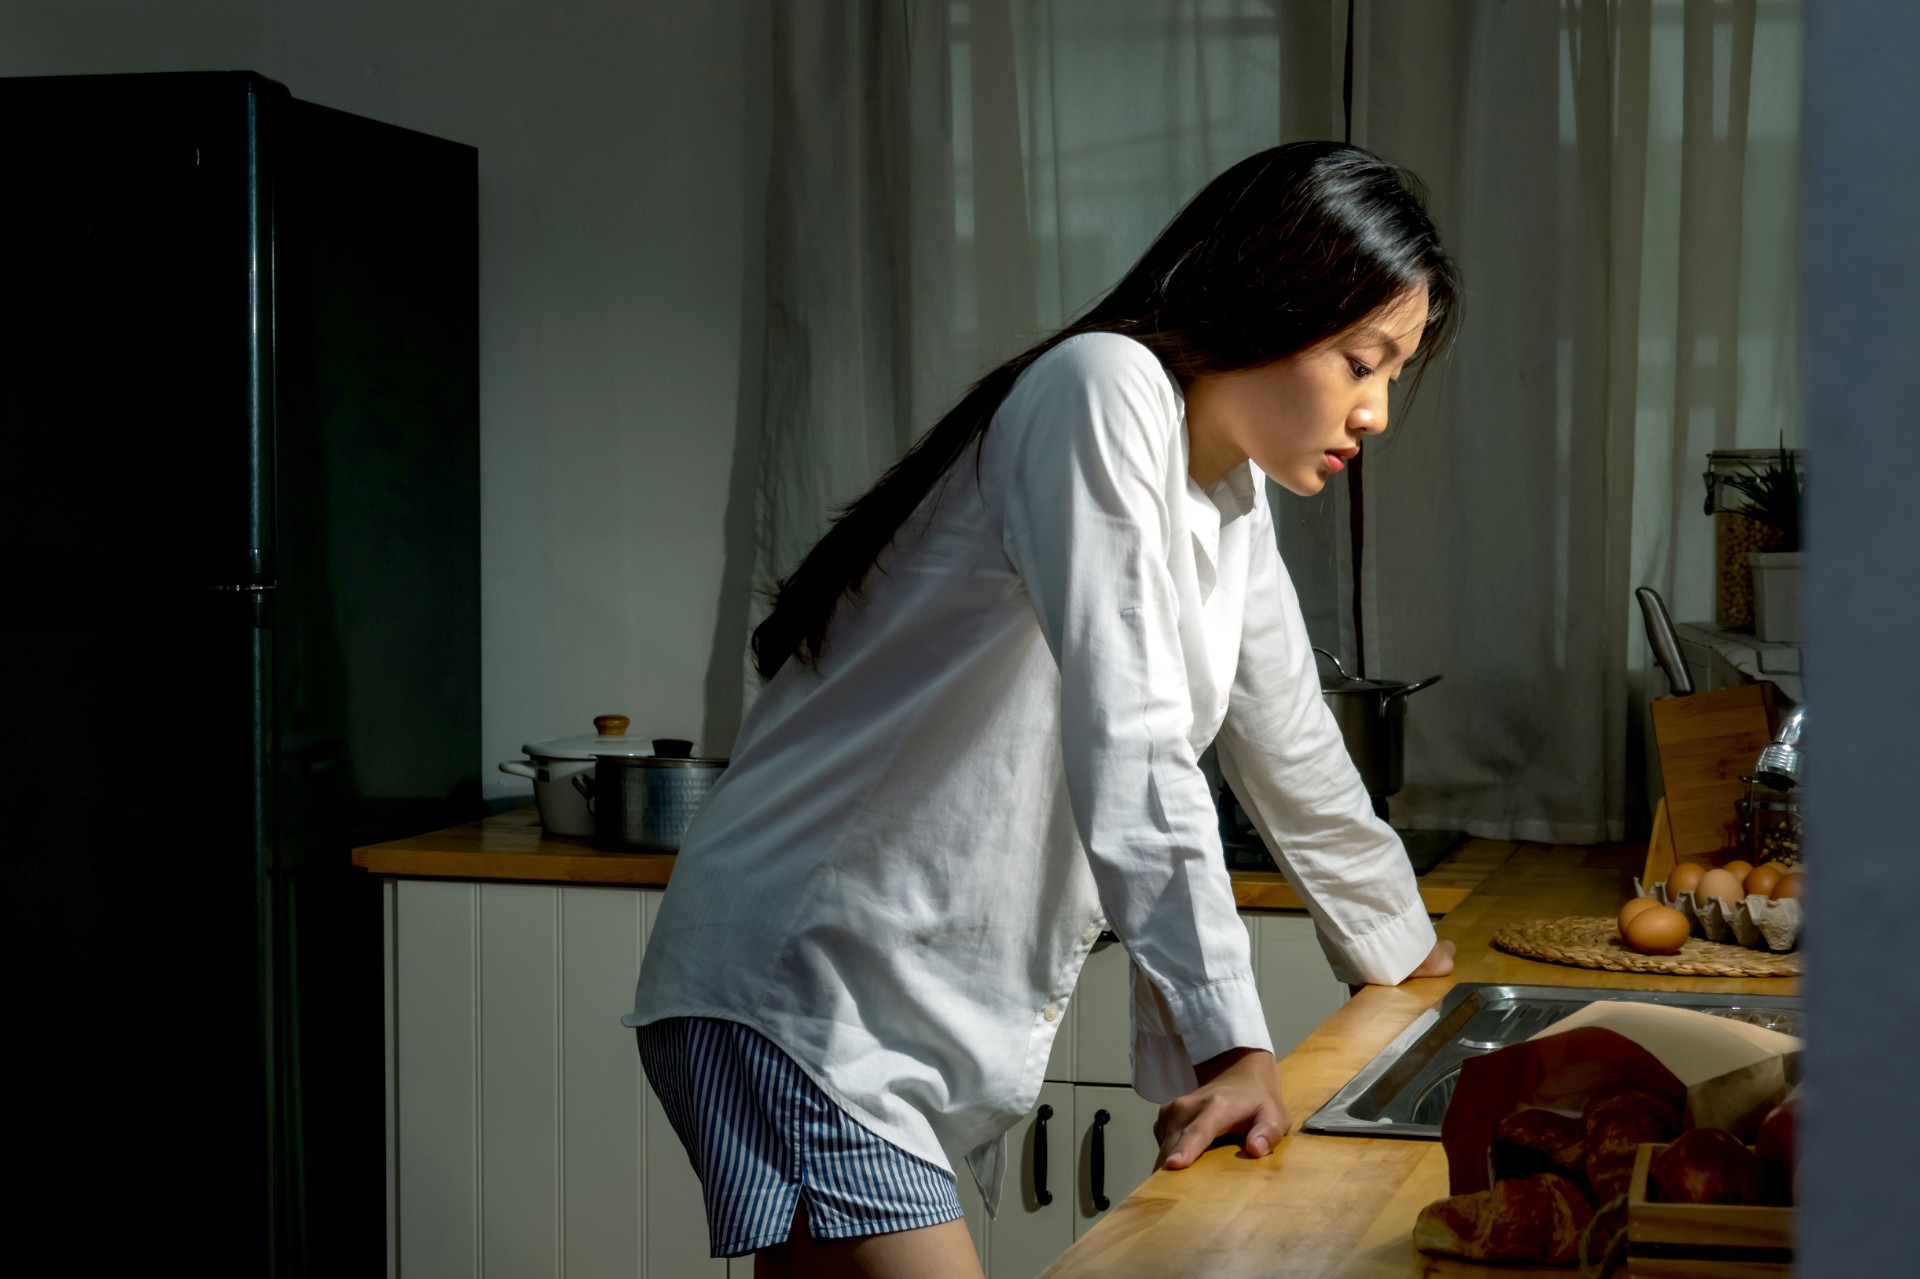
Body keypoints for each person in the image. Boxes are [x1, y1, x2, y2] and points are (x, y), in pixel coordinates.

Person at [625, 140, 1462, 1279]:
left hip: (866, 1001)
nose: (1373, 412)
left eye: (1391, 379)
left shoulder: (1229, 496)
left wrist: (1408, 962)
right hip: (801, 986)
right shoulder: (1100, 387)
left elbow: (1295, 755)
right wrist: (1232, 1039)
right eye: (1363, 361)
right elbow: (1135, 730)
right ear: (1273, 299)